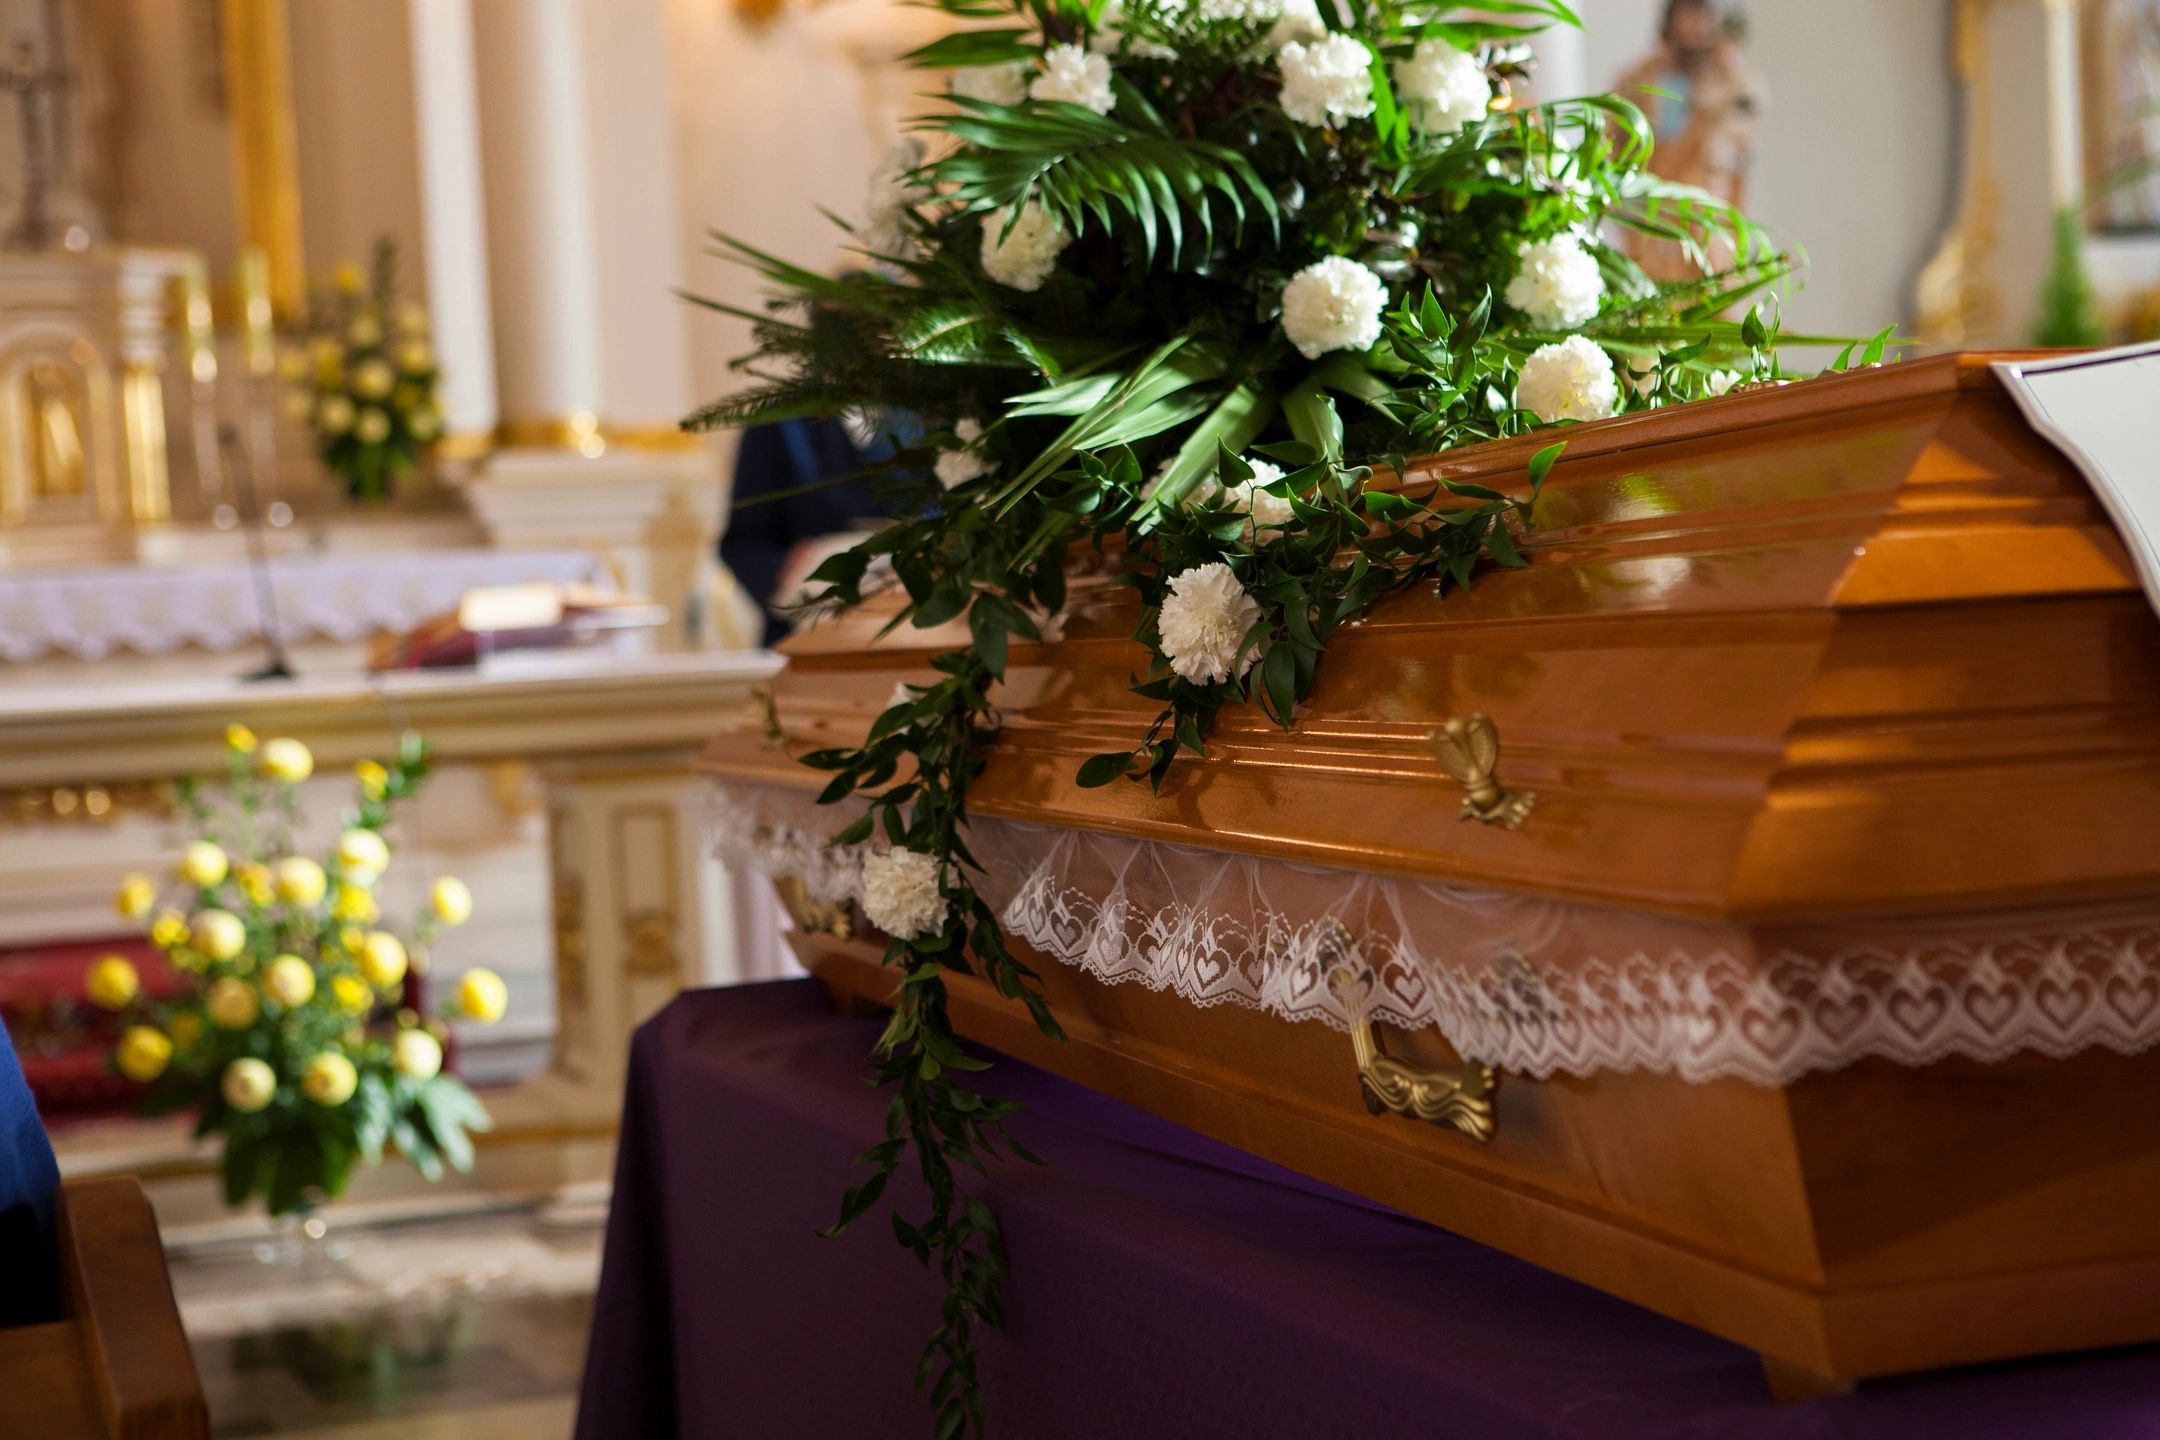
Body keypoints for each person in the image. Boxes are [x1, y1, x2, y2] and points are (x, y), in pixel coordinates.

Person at [1616, 0, 1766, 279]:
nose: (1697, 26)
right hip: (1652, 210)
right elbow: (1617, 138)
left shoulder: (1728, 81)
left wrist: (1726, 72)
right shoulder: (1641, 77)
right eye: (1690, 13)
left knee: (1712, 284)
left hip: (1706, 210)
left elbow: (1743, 126)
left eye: (1706, 16)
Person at [719, 415, 897, 647]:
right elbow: (744, 541)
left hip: (906, 628)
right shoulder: (780, 424)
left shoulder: (914, 418)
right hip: (808, 631)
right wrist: (787, 571)